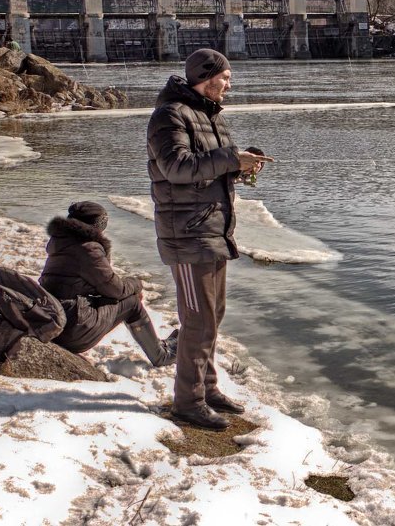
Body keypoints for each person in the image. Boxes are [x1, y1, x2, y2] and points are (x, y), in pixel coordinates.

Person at [146, 48, 271, 430]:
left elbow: (208, 170)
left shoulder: (209, 116)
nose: (229, 84)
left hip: (213, 229)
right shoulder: (169, 116)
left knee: (212, 317)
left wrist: (242, 166)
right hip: (186, 234)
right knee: (197, 320)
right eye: (225, 77)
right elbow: (176, 168)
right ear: (205, 75)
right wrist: (231, 159)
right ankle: (187, 402)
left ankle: (208, 388)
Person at [41, 201, 177, 366]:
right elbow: (116, 290)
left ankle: (157, 346)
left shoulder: (59, 243)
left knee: (119, 295)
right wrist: (136, 283)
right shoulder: (88, 249)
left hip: (54, 322)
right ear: (96, 225)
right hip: (73, 329)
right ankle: (161, 355)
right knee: (132, 302)